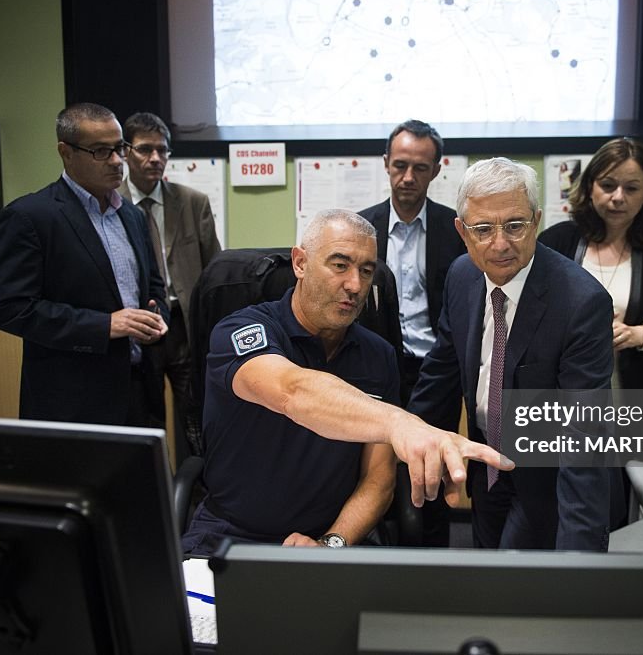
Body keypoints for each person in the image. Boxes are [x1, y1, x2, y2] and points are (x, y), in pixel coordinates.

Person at [181, 209, 512, 553]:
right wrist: (400, 423)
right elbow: (292, 391)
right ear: (300, 263)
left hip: (330, 539)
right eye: (339, 265)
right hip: (229, 536)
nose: (355, 285)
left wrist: (331, 543)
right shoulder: (243, 331)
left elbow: (378, 479)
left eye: (366, 271)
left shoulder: (378, 355)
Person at [408, 157, 612, 550]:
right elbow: (441, 374)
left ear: (536, 221)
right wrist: (408, 443)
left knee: (527, 587)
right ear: (462, 232)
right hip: (485, 460)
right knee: (487, 576)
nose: (499, 243)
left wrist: (583, 565)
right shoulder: (462, 276)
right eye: (483, 229)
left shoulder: (581, 303)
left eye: (515, 226)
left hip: (546, 476)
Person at [538, 137, 643, 527]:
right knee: (567, 497)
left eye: (631, 188)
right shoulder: (558, 240)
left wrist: (639, 335)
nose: (617, 197)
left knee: (629, 506)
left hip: (639, 393)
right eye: (608, 185)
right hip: (566, 395)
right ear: (590, 185)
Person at [0, 103, 169, 427]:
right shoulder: (31, 216)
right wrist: (104, 325)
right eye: (101, 151)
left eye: (118, 148)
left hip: (139, 390)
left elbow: (154, 284)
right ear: (65, 152)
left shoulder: (131, 215)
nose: (116, 161)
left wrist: (157, 320)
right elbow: (9, 308)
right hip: (73, 401)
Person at [358, 119, 465, 546]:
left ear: (437, 170)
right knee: (371, 466)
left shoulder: (454, 229)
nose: (408, 177)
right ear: (385, 164)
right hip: (375, 368)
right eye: (400, 165)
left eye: (420, 168)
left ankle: (431, 565)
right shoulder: (362, 228)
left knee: (430, 471)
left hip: (435, 370)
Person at [118, 112, 221, 459]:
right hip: (137, 329)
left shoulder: (192, 202)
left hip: (185, 328)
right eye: (145, 150)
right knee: (146, 420)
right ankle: (154, 496)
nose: (156, 159)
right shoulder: (110, 203)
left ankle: (195, 498)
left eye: (163, 151)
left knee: (195, 419)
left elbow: (214, 271)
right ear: (125, 151)